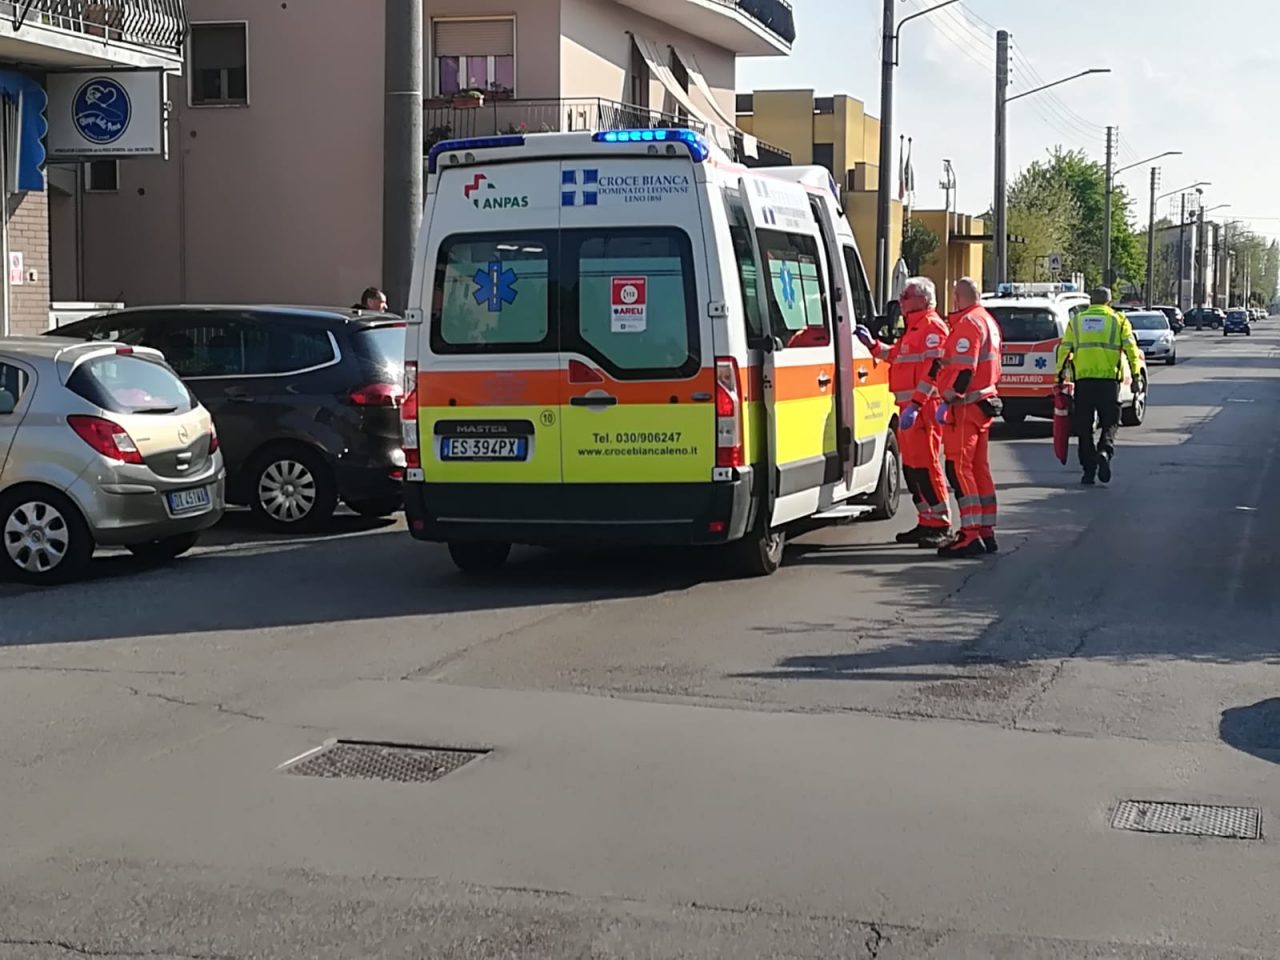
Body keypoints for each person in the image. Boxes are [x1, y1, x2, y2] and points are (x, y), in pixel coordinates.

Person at [856, 277, 953, 548]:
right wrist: (873, 346)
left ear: (923, 299)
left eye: (906, 295)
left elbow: (933, 370)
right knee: (912, 469)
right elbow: (896, 355)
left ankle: (942, 523)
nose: (901, 300)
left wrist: (918, 404)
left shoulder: (932, 327)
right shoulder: (913, 329)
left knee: (928, 467)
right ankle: (926, 520)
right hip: (909, 409)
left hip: (923, 410)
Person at [919, 277, 1002, 558]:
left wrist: (949, 399)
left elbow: (965, 370)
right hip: (983, 404)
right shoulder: (987, 320)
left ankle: (969, 533)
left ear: (957, 297)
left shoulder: (968, 324)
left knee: (959, 468)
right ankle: (986, 530)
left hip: (965, 406)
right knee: (979, 469)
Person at [1055, 286, 1144, 486]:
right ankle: (1105, 450)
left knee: (1084, 428)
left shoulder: (1076, 321)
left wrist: (1059, 376)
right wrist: (1136, 376)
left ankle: (1088, 472)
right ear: (1109, 302)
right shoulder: (1119, 320)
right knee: (1111, 422)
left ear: (1090, 302)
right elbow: (1131, 349)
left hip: (1083, 382)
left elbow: (1064, 349)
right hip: (1108, 382)